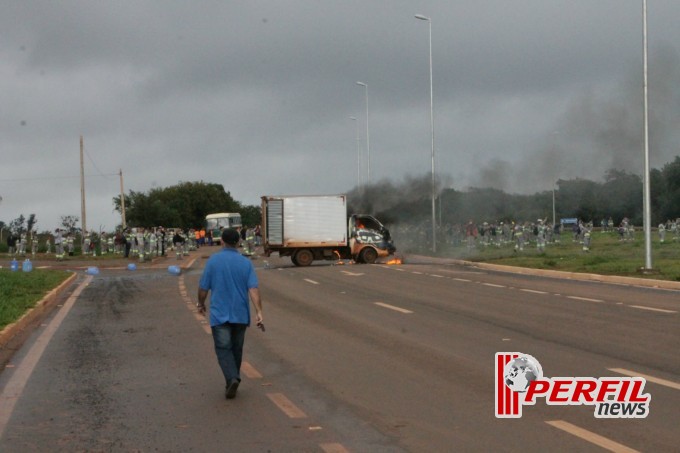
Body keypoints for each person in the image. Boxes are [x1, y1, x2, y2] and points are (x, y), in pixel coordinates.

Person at [197, 228, 263, 400]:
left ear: (222, 241)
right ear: (239, 242)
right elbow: (253, 289)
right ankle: (231, 381)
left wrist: (201, 303)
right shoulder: (245, 263)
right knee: (236, 349)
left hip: (220, 315)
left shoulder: (213, 261)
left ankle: (232, 378)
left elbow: (203, 287)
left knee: (223, 349)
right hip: (240, 314)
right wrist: (259, 312)